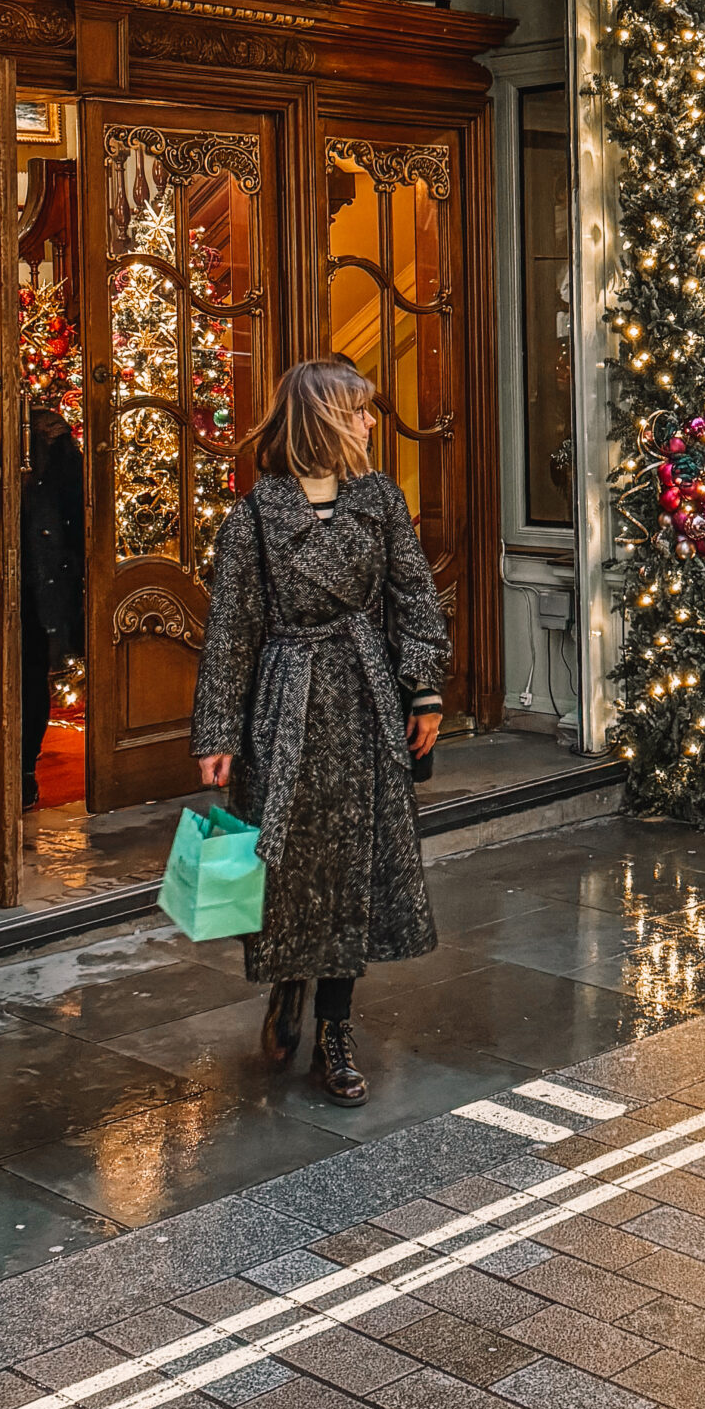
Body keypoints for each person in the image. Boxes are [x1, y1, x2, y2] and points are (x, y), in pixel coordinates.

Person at [190, 357, 447, 1105]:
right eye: (359, 410)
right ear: (328, 419)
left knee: (352, 866)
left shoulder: (380, 499)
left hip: (363, 700)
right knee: (282, 868)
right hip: (285, 705)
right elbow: (231, 630)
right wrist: (218, 730)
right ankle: (287, 980)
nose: (370, 422)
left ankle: (337, 1027)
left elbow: (414, 597)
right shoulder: (254, 515)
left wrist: (424, 690)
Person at [19, 405, 85, 809]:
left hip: (40, 576)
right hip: (18, 578)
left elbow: (74, 511)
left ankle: (24, 769)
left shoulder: (52, 448)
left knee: (31, 671)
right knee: (28, 672)